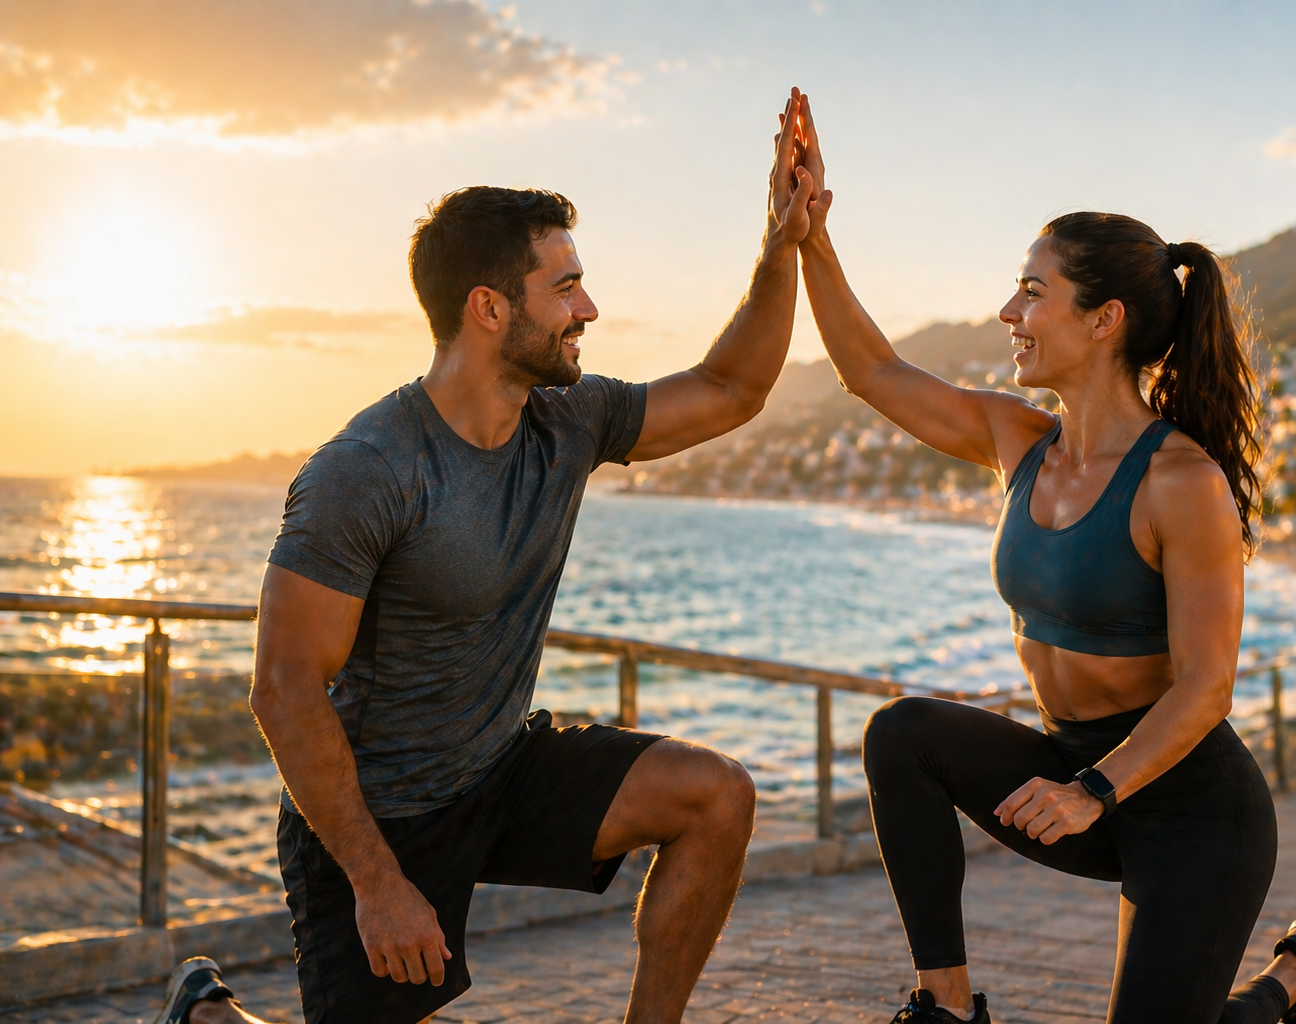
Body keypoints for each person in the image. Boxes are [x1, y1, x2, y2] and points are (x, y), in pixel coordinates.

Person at [155, 91, 818, 1024]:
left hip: (502, 768)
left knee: (715, 797)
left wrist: (779, 240)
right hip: (375, 820)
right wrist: (378, 884)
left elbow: (731, 387)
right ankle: (210, 1014)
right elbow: (284, 690)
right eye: (565, 288)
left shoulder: (568, 418)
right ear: (488, 308)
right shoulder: (368, 469)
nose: (589, 307)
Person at [790, 97, 1296, 1024]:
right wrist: (810, 237)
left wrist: (1095, 790)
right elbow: (873, 374)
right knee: (902, 734)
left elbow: (1208, 685)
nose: (1007, 311)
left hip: (1185, 807)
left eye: (1032, 292)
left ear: (1103, 322)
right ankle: (945, 1007)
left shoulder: (1180, 481)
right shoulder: (1017, 440)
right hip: (1068, 770)